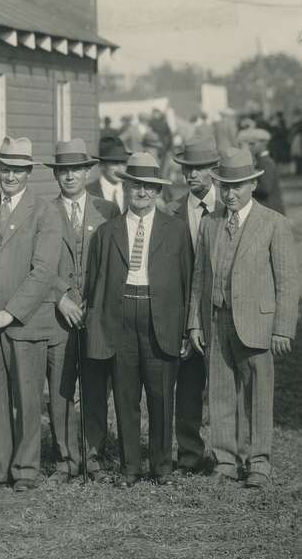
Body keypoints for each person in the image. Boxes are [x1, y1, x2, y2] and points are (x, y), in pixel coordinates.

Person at [188, 147, 298, 489]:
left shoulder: (273, 223)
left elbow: (289, 281)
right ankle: (225, 460)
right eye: (224, 187)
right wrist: (195, 320)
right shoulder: (210, 224)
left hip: (258, 325)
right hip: (217, 321)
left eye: (236, 187)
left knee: (258, 395)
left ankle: (259, 462)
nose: (229, 194)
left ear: (252, 185)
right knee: (220, 393)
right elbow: (200, 277)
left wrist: (282, 328)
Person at [85, 152, 192, 488]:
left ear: (158, 191)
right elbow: (94, 283)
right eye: (136, 186)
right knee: (126, 395)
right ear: (126, 187)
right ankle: (130, 467)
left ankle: (162, 466)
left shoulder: (175, 231)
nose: (142, 193)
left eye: (149, 187)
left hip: (159, 317)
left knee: (161, 396)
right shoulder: (107, 232)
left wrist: (188, 326)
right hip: (121, 318)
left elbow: (188, 281)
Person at [0, 137, 61, 492]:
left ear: (29, 173)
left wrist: (9, 313)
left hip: (24, 322)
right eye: (5, 168)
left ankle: (25, 469)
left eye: (18, 169)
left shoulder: (45, 212)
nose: (10, 175)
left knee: (27, 397)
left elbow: (43, 272)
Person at [41, 139, 119, 483]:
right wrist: (60, 297)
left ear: (88, 171)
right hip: (57, 313)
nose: (69, 176)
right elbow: (39, 264)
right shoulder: (43, 211)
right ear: (56, 174)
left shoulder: (108, 210)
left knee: (96, 384)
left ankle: (94, 456)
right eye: (63, 170)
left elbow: (113, 264)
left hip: (95, 312)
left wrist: (93, 302)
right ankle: (65, 458)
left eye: (76, 169)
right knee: (60, 387)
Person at [162, 134, 221, 473]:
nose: (192, 175)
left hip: (225, 312)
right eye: (187, 169)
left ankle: (232, 455)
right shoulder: (172, 212)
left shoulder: (228, 208)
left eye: (199, 169)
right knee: (187, 383)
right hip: (185, 313)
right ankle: (189, 453)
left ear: (214, 169)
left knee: (227, 385)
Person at [238, 127, 285, 214]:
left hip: (270, 208)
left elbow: (265, 189)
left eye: (252, 144)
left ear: (263, 144)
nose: (250, 147)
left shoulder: (265, 162)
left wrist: (244, 186)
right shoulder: (260, 161)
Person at [87, 136, 130, 213]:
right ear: (101, 165)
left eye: (123, 163)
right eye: (115, 163)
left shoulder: (131, 191)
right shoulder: (88, 193)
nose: (121, 169)